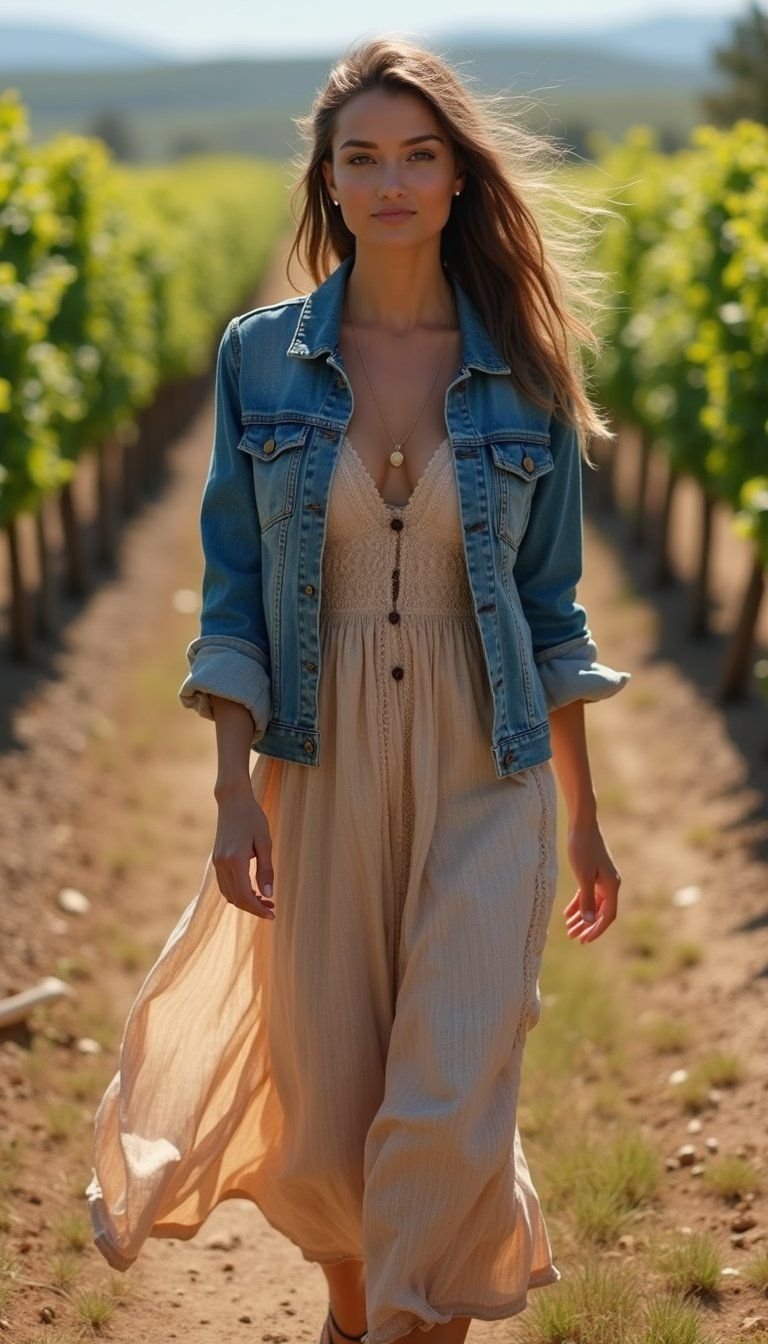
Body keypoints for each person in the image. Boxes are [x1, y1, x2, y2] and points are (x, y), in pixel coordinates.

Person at [86, 35, 631, 1344]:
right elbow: (232, 593)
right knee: (329, 1120)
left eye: (418, 155)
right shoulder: (261, 361)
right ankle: (361, 1314)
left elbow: (550, 610)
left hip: (481, 764)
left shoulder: (526, 370)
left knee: (445, 1100)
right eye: (362, 158)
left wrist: (590, 816)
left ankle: (403, 1323)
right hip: (319, 763)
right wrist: (231, 789)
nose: (392, 182)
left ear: (457, 178)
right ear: (327, 183)